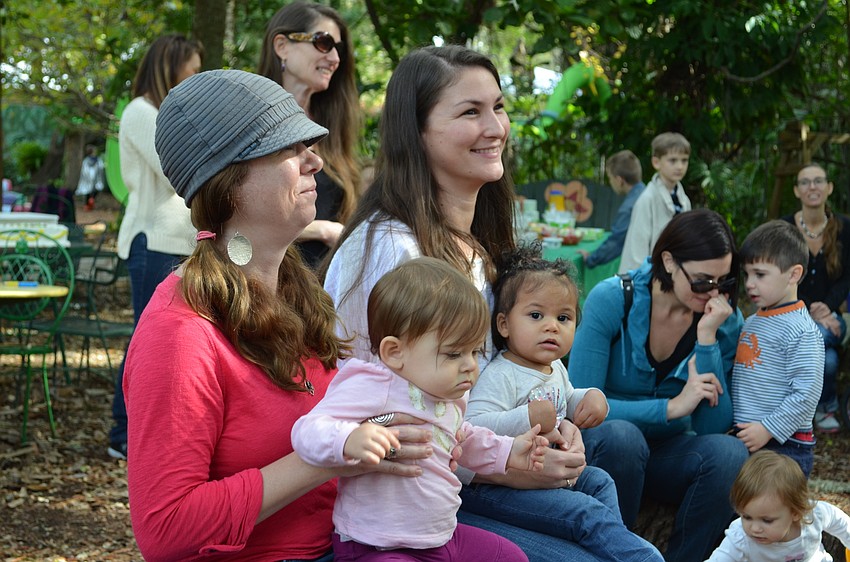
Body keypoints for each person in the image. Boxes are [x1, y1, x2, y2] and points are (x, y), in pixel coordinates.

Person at [324, 43, 622, 562]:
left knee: (598, 478)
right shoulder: (394, 250)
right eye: (470, 112)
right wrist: (510, 462)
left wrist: (550, 431)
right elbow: (388, 417)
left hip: (467, 473)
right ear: (416, 132)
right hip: (407, 506)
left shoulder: (480, 249)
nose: (495, 128)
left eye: (499, 107)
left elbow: (493, 386)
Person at [124, 69, 435, 561]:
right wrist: (325, 457)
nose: (315, 160)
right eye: (290, 149)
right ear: (227, 185)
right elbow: (165, 530)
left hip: (359, 536)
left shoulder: (295, 287)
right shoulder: (181, 331)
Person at [293, 257, 547, 561]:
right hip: (377, 545)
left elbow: (460, 440)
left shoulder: (448, 394)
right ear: (394, 352)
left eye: (475, 351)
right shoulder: (375, 384)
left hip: (440, 537)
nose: (470, 365)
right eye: (454, 353)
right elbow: (306, 430)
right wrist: (349, 438)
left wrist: (508, 451)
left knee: (511, 556)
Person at [569, 209, 749, 562]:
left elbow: (712, 426)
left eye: (723, 281)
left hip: (669, 456)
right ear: (668, 262)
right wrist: (671, 408)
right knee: (623, 438)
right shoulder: (612, 299)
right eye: (702, 281)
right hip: (608, 450)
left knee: (730, 454)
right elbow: (578, 404)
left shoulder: (721, 319)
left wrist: (708, 338)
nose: (713, 292)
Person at [467, 244, 664, 562]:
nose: (551, 326)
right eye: (535, 315)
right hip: (499, 486)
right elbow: (473, 424)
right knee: (585, 512)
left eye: (563, 317)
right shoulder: (502, 373)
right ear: (504, 324)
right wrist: (528, 416)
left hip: (549, 474)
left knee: (600, 481)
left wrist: (590, 399)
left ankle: (612, 547)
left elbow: (567, 398)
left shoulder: (554, 367)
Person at [108, 33, 203, 460]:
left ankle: (145, 432)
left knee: (171, 341)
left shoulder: (164, 114)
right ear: (171, 66)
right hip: (153, 242)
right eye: (193, 69)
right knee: (148, 341)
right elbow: (175, 172)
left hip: (175, 241)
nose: (196, 78)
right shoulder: (142, 112)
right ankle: (122, 433)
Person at [258, 1, 361, 268]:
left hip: (325, 286)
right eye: (324, 43)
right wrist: (322, 230)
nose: (335, 59)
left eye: (338, 49)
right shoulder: (251, 122)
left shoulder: (334, 127)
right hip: (266, 282)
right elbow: (230, 214)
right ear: (282, 46)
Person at [731, 220, 824, 476]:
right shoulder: (752, 321)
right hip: (750, 438)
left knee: (774, 513)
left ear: (794, 274)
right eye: (747, 274)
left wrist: (768, 428)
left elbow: (806, 394)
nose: (750, 283)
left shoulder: (801, 331)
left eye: (760, 275)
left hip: (784, 445)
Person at [781, 163, 850, 433]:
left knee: (816, 337)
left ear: (829, 187)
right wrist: (808, 308)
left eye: (819, 181)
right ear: (797, 190)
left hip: (832, 317)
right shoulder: (785, 227)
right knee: (828, 359)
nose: (813, 187)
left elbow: (847, 277)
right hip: (792, 313)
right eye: (806, 182)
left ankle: (797, 407)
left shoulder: (845, 227)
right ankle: (822, 406)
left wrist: (827, 307)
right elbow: (783, 273)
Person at [706, 450, 850, 561]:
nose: (755, 528)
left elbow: (841, 523)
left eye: (767, 520)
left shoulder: (814, 515)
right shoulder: (740, 538)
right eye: (747, 517)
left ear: (796, 512)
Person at [618, 132, 692, 273]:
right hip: (649, 276)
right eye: (673, 160)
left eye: (684, 160)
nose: (680, 166)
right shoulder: (647, 199)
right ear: (656, 162)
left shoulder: (684, 200)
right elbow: (636, 251)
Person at [579, 150, 646, 269]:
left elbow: (615, 243)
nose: (610, 182)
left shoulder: (630, 206)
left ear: (619, 180)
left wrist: (591, 258)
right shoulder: (646, 194)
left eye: (610, 178)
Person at [75, 145, 105, 210]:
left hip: (96, 179)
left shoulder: (98, 160)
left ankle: (91, 202)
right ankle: (87, 205)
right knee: (87, 192)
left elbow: (101, 167)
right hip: (87, 180)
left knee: (95, 190)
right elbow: (84, 171)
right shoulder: (86, 161)